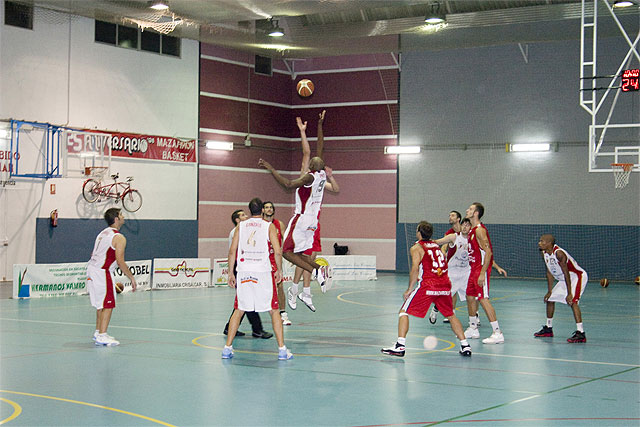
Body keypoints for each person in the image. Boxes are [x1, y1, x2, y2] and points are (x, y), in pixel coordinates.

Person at [258, 114, 339, 309]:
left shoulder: (309, 178)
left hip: (301, 218)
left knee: (286, 252)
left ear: (311, 166)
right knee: (300, 253)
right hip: (314, 221)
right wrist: (320, 124)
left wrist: (270, 168)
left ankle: (317, 270)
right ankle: (315, 274)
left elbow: (287, 184)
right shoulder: (321, 174)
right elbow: (320, 147)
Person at [381, 221, 472, 357]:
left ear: (419, 233)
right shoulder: (436, 246)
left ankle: (400, 345)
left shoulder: (417, 248)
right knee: (451, 315)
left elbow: (415, 269)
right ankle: (465, 345)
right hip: (445, 285)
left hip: (429, 284)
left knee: (403, 311)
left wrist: (409, 289)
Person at [223, 198, 292, 360]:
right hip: (263, 272)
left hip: (244, 271)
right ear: (262, 210)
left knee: (239, 309)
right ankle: (282, 350)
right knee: (274, 310)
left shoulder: (241, 226)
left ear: (249, 210)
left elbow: (232, 251)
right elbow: (277, 251)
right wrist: (279, 270)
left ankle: (227, 348)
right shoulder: (269, 226)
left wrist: (231, 273)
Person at [288, 111, 340, 313]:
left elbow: (320, 150)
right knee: (302, 256)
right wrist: (303, 131)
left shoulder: (320, 177)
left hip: (314, 222)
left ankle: (306, 292)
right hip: (303, 221)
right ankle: (294, 289)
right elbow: (307, 152)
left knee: (310, 256)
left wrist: (320, 125)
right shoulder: (306, 176)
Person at [431, 217, 507, 325]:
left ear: (471, 227)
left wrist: (497, 267)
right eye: (463, 225)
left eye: (467, 225)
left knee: (473, 297)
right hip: (452, 272)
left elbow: (485, 255)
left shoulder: (474, 239)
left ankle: (475, 317)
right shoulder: (454, 237)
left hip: (466, 273)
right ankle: (435, 309)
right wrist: (425, 242)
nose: (465, 227)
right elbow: (437, 242)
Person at [87, 208, 137, 346]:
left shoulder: (102, 233)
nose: (123, 216)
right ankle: (102, 335)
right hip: (102, 272)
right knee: (108, 303)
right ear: (116, 219)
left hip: (92, 269)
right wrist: (131, 278)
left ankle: (98, 332)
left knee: (100, 304)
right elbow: (120, 261)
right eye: (121, 215)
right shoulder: (119, 238)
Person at [223, 209, 273, 339]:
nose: (246, 216)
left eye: (246, 214)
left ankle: (230, 328)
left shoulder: (245, 229)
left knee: (244, 300)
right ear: (237, 220)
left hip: (246, 266)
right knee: (247, 300)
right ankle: (257, 329)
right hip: (240, 266)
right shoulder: (237, 231)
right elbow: (233, 251)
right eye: (242, 215)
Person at [462, 202, 505, 344]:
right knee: (470, 296)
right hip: (473, 269)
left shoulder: (480, 230)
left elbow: (488, 252)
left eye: (470, 209)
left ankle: (497, 332)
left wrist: (482, 273)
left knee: (483, 299)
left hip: (480, 270)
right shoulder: (472, 231)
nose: (467, 210)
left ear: (476, 213)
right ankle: (473, 328)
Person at [534, 234, 588, 343]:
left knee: (573, 301)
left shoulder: (559, 253)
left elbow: (566, 273)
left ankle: (581, 333)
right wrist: (549, 291)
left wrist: (569, 293)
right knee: (550, 299)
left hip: (576, 276)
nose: (539, 243)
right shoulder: (544, 253)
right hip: (563, 278)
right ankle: (548, 329)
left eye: (542, 241)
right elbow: (549, 272)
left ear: (549, 243)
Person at [262, 201, 291, 326]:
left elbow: (287, 239)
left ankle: (283, 314)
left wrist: (291, 255)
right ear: (262, 210)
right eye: (266, 207)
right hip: (262, 259)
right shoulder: (260, 224)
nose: (269, 209)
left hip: (275, 259)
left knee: (279, 286)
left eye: (271, 207)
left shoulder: (279, 224)